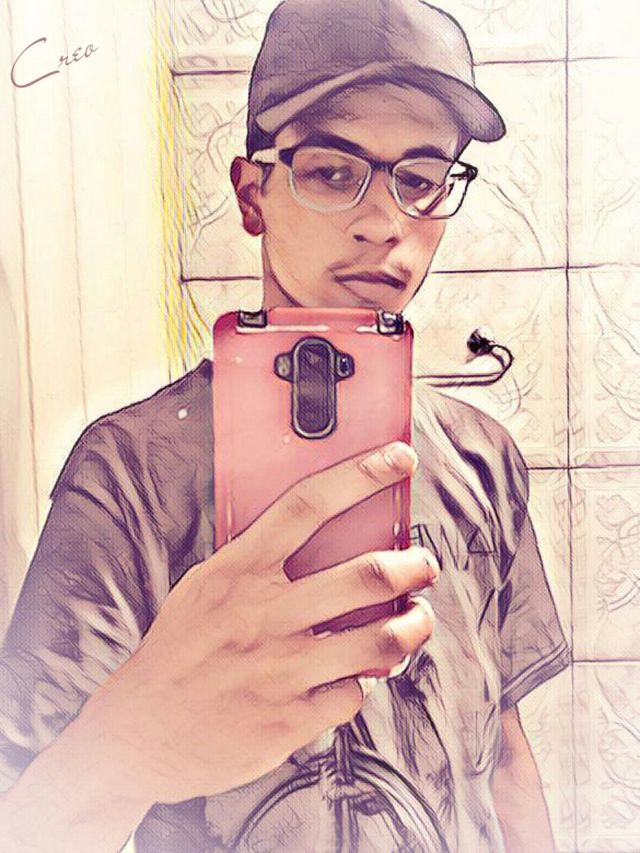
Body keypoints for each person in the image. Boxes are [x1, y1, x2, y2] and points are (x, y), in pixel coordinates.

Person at [0, 1, 570, 851]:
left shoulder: (483, 455)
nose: (385, 222)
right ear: (252, 192)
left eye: (421, 179)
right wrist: (122, 749)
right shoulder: (127, 471)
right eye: (334, 172)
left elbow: (505, 752)